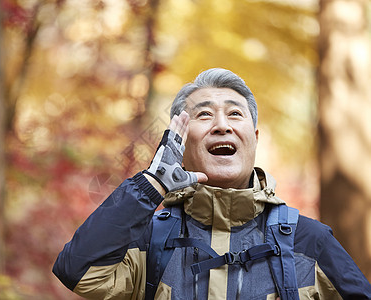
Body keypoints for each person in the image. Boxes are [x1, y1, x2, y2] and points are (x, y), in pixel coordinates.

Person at [53, 68, 371, 299]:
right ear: (181, 141)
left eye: (235, 114)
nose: (221, 125)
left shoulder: (308, 241)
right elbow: (78, 272)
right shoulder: (149, 239)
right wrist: (151, 184)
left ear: (254, 138)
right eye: (204, 116)